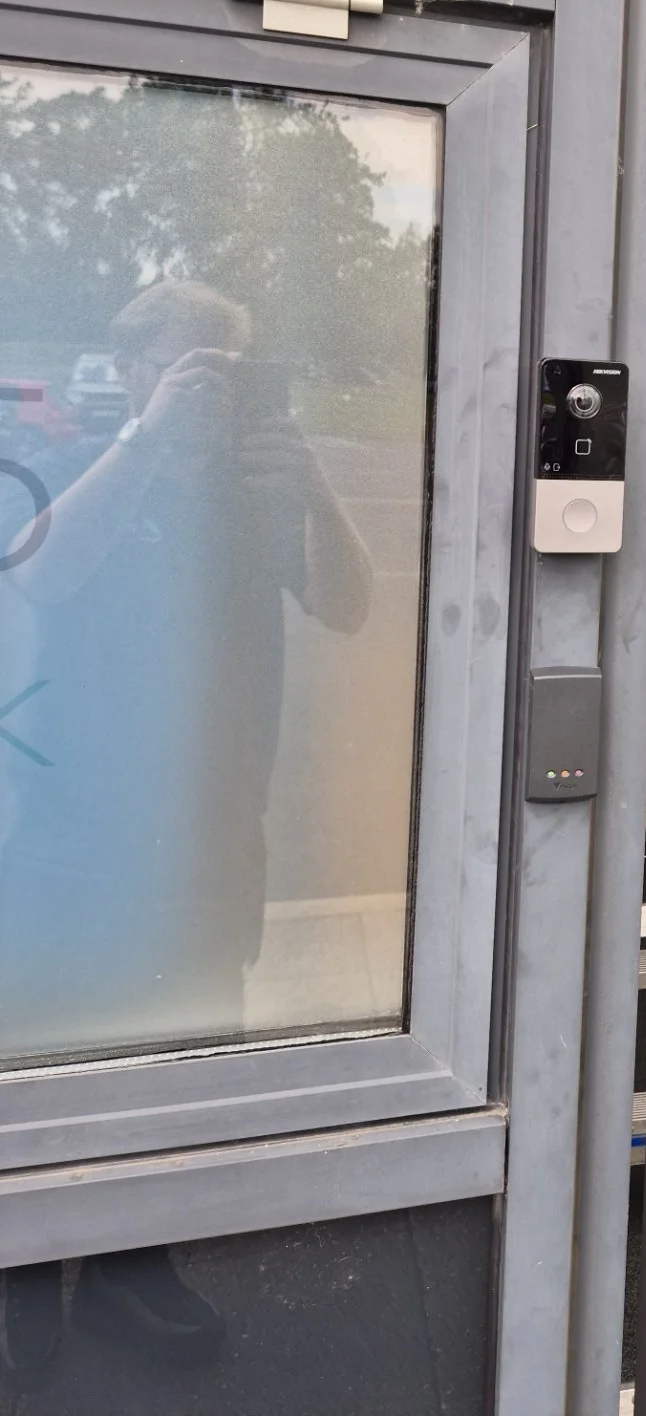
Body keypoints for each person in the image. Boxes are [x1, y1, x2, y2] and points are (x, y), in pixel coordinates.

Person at [0, 280, 372, 1372]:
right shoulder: (84, 467)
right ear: (129, 376)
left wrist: (313, 490)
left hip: (214, 846)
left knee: (181, 1073)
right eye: (185, 367)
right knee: (46, 1069)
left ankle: (132, 1276)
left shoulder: (253, 496)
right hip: (76, 841)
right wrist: (153, 438)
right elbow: (35, 572)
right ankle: (20, 1288)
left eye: (228, 369)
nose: (211, 391)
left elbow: (349, 606)